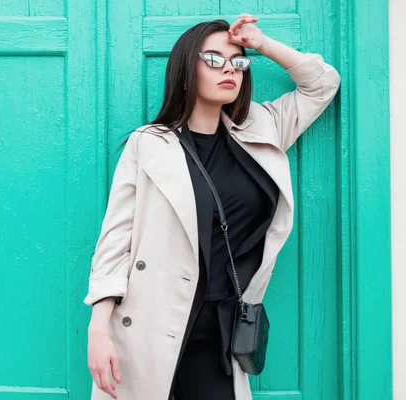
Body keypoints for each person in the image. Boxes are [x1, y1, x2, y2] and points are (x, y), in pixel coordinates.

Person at [84, 14, 341, 400]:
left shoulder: (262, 128)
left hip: (221, 334)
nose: (230, 70)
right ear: (188, 68)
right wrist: (98, 329)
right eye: (214, 59)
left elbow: (323, 85)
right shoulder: (150, 143)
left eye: (238, 61)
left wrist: (261, 43)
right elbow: (115, 240)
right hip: (151, 325)